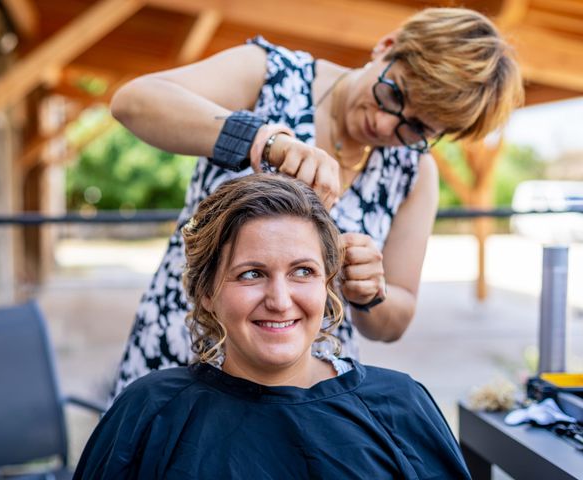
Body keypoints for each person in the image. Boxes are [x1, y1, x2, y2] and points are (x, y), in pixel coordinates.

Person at [109, 7, 524, 399]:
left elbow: (394, 320)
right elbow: (134, 101)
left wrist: (370, 291)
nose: (384, 125)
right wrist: (262, 140)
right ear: (387, 45)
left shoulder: (414, 173)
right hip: (185, 349)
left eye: (416, 127)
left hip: (308, 388)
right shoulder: (269, 74)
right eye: (394, 93)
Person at [74, 174, 471, 479]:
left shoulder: (399, 405)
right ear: (207, 292)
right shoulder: (151, 412)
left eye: (302, 271)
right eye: (251, 274)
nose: (280, 301)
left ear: (327, 283)